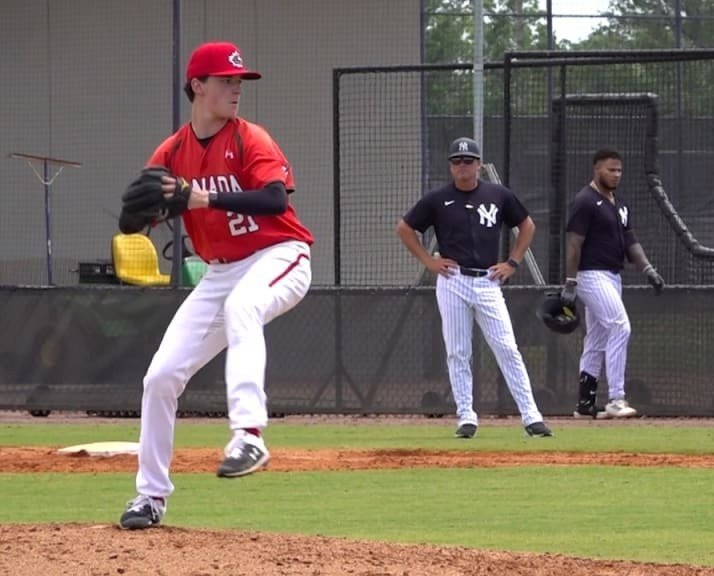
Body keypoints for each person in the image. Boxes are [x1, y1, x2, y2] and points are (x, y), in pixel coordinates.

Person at [117, 41, 314, 529]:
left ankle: (249, 435)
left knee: (244, 307)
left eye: (239, 80)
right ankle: (150, 497)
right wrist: (141, 211)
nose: (236, 88)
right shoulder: (172, 152)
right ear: (198, 86)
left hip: (279, 254)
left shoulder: (250, 139)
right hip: (220, 272)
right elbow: (133, 221)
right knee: (160, 377)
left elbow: (275, 201)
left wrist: (200, 198)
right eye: (226, 80)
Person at [396, 137, 552, 439]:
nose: (463, 166)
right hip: (453, 279)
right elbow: (405, 227)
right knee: (458, 351)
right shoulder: (438, 198)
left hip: (488, 280)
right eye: (457, 161)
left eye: (468, 160)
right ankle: (466, 416)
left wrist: (513, 262)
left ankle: (532, 417)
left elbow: (527, 225)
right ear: (450, 166)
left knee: (507, 347)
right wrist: (428, 261)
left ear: (479, 164)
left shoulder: (497, 194)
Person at [562, 148, 664, 420]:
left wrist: (648, 268)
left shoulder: (620, 204)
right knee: (620, 326)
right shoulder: (585, 201)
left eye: (619, 170)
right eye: (611, 169)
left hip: (612, 276)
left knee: (597, 338)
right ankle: (616, 398)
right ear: (597, 169)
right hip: (590, 275)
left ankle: (585, 404)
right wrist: (570, 282)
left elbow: (630, 241)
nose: (616, 174)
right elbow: (574, 244)